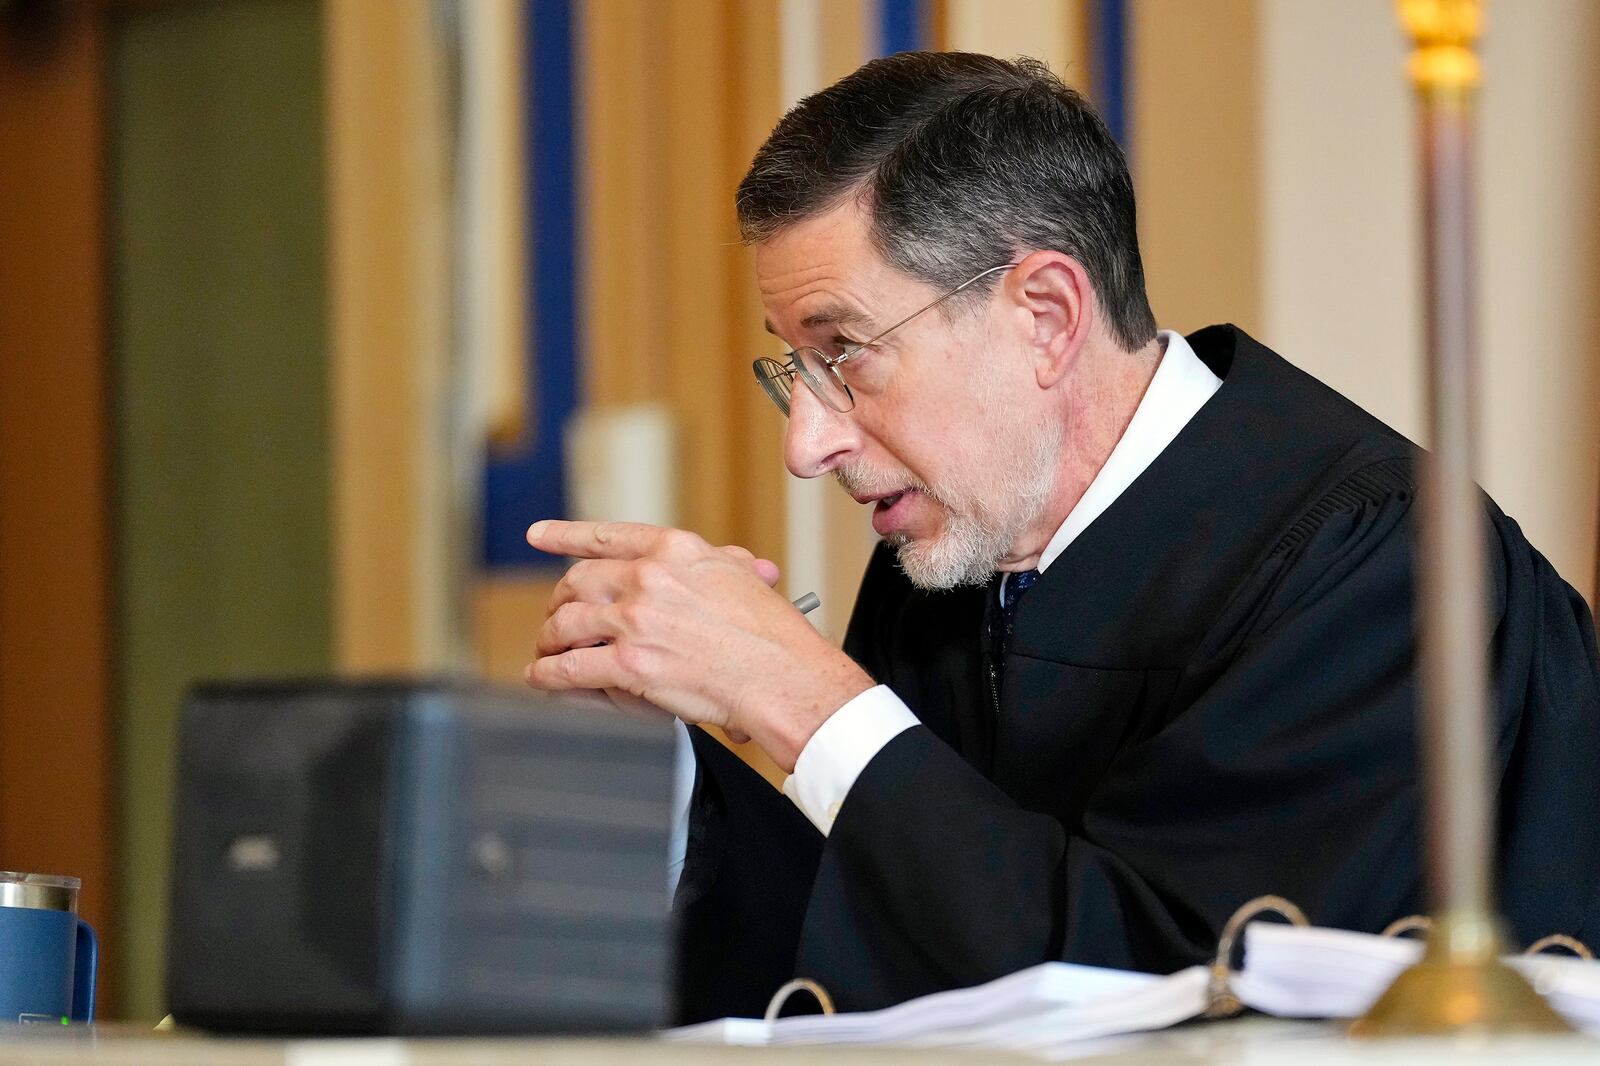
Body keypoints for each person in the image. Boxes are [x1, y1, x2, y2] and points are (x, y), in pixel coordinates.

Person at [524, 51, 1600, 1021]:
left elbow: (1173, 994)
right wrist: (646, 759)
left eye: (843, 353)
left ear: (1044, 314)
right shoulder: (954, 551)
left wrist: (803, 700)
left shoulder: (1373, 562)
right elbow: (865, 943)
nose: (807, 444)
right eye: (792, 370)